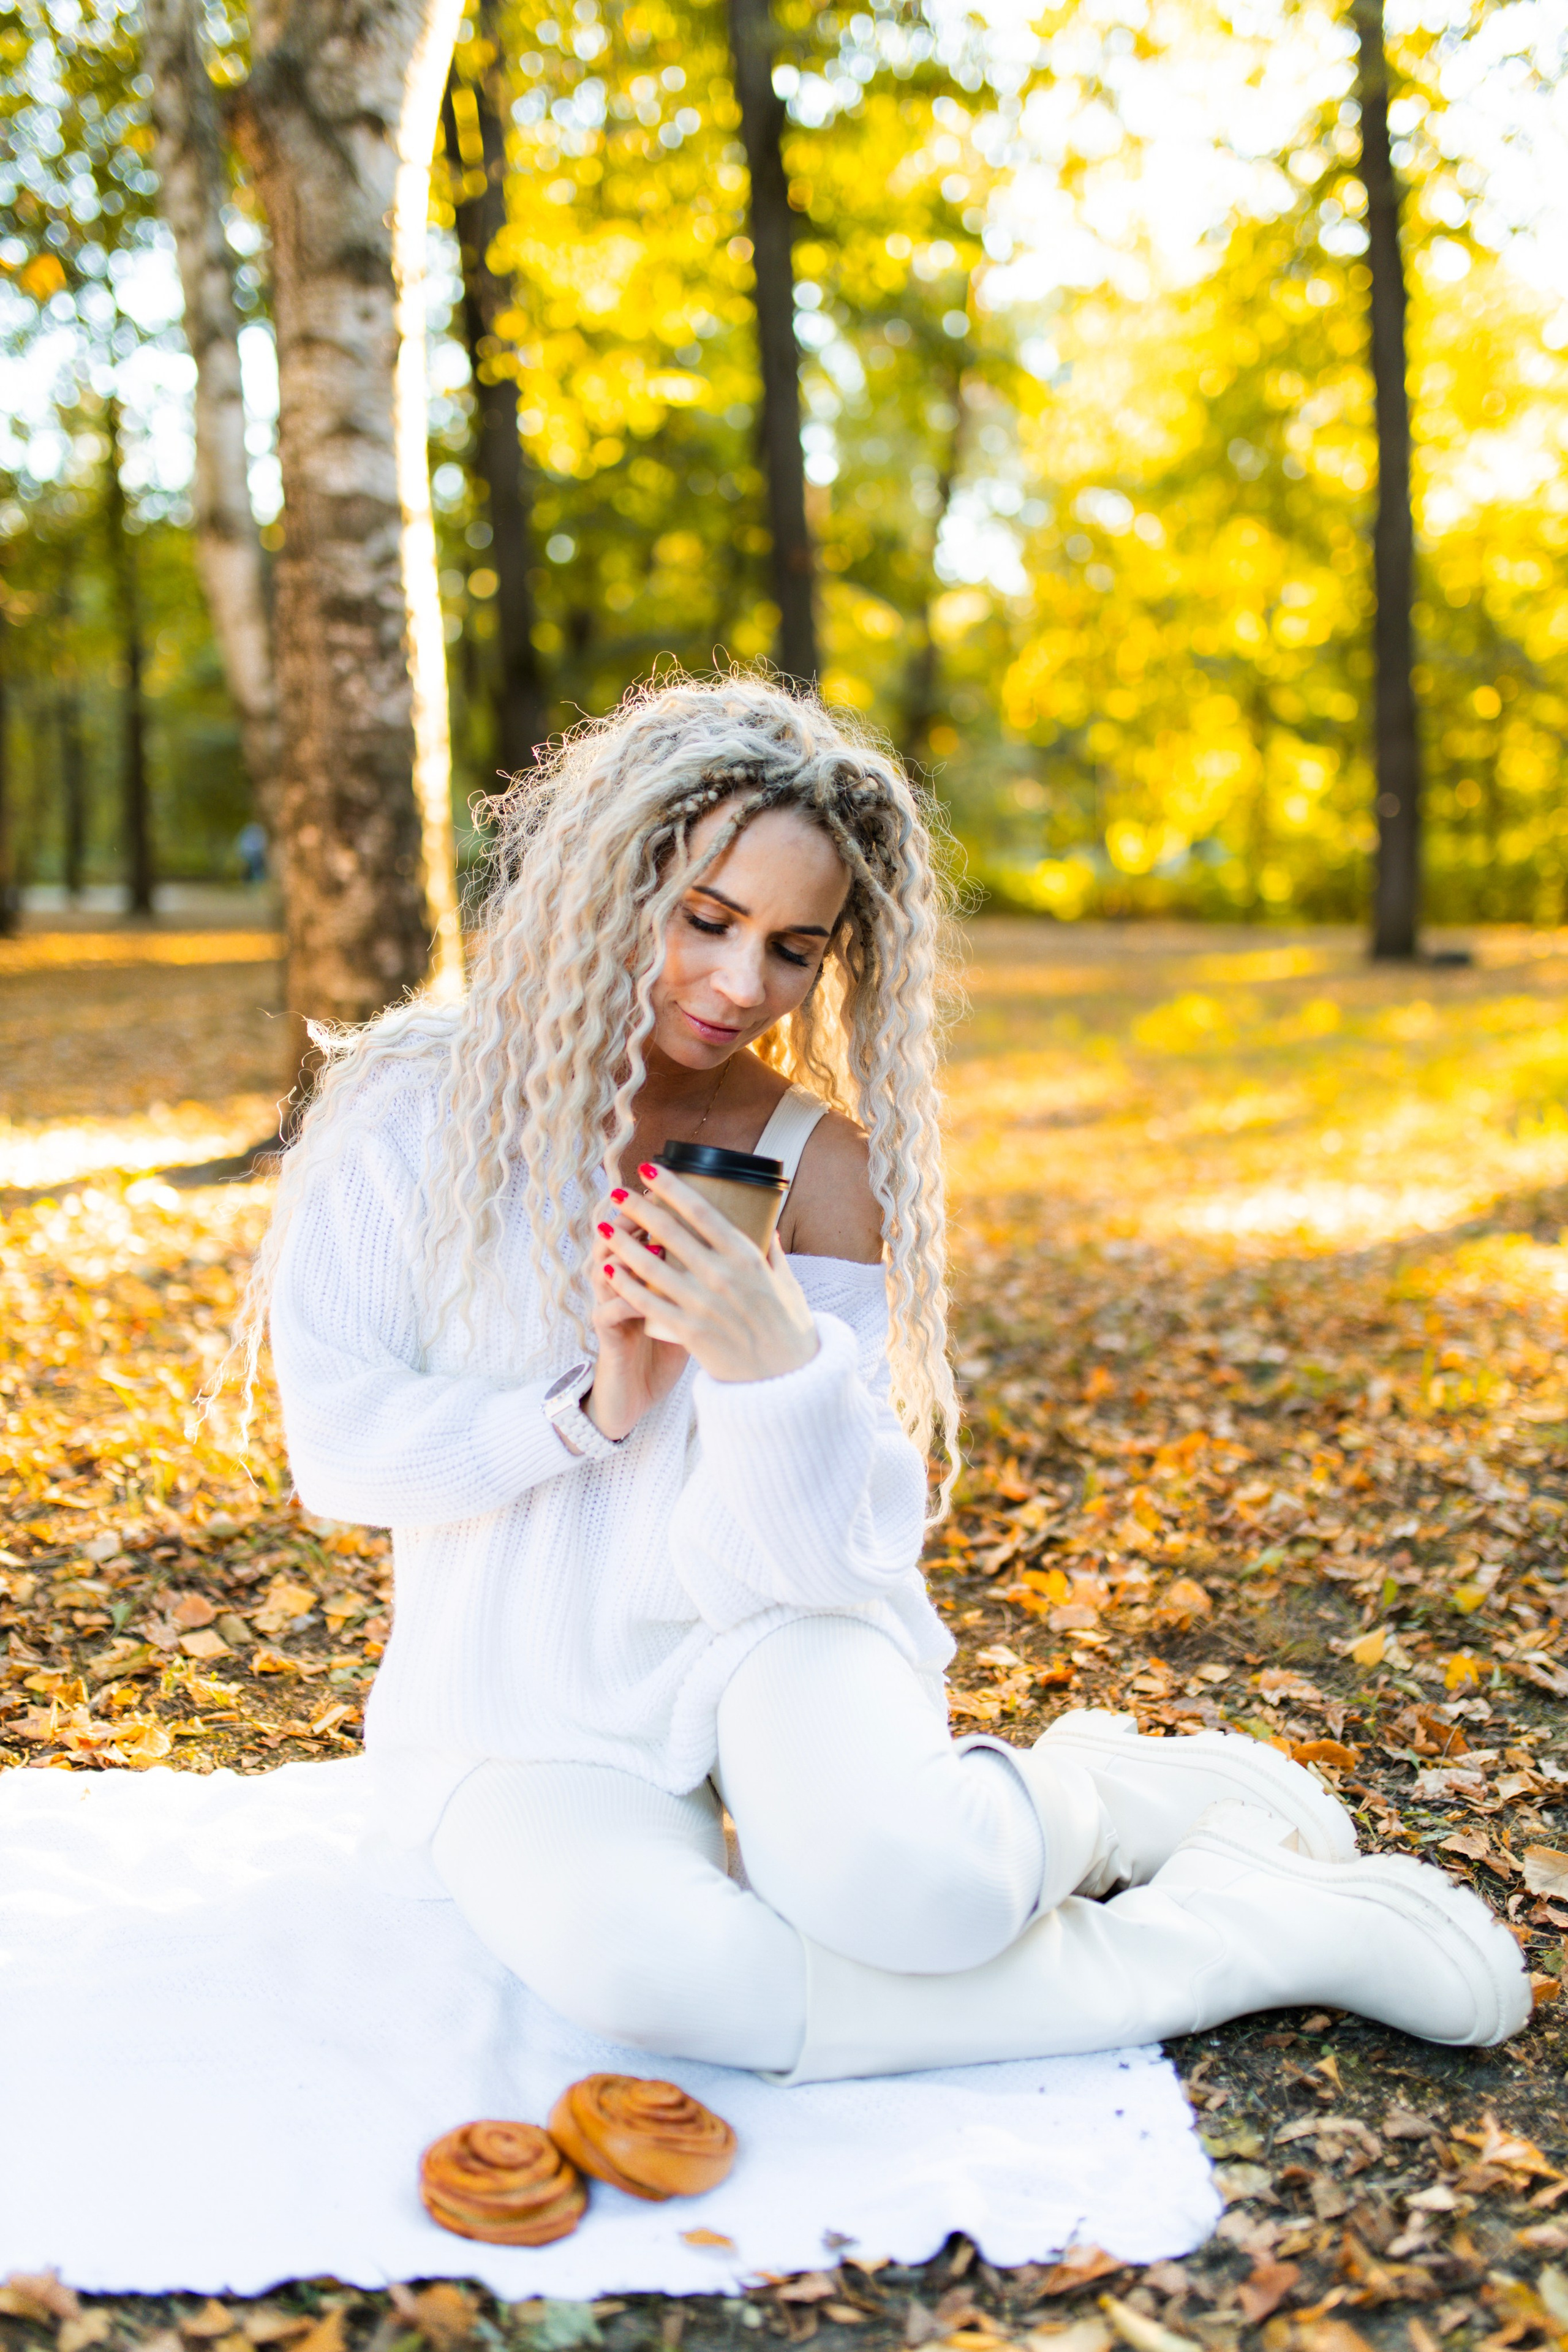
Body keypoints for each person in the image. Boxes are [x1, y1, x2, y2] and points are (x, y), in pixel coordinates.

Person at [255, 674, 1528, 2082]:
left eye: (793, 948)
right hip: (524, 1681)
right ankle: (1242, 1936)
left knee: (913, 1893)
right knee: (653, 1980)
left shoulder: (820, 1170)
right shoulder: (410, 1111)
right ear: (604, 884)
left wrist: (766, 1365)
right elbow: (342, 1447)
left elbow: (835, 1551)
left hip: (766, 1621)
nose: (742, 987)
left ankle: (1082, 1803)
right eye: (704, 919)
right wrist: (584, 1411)